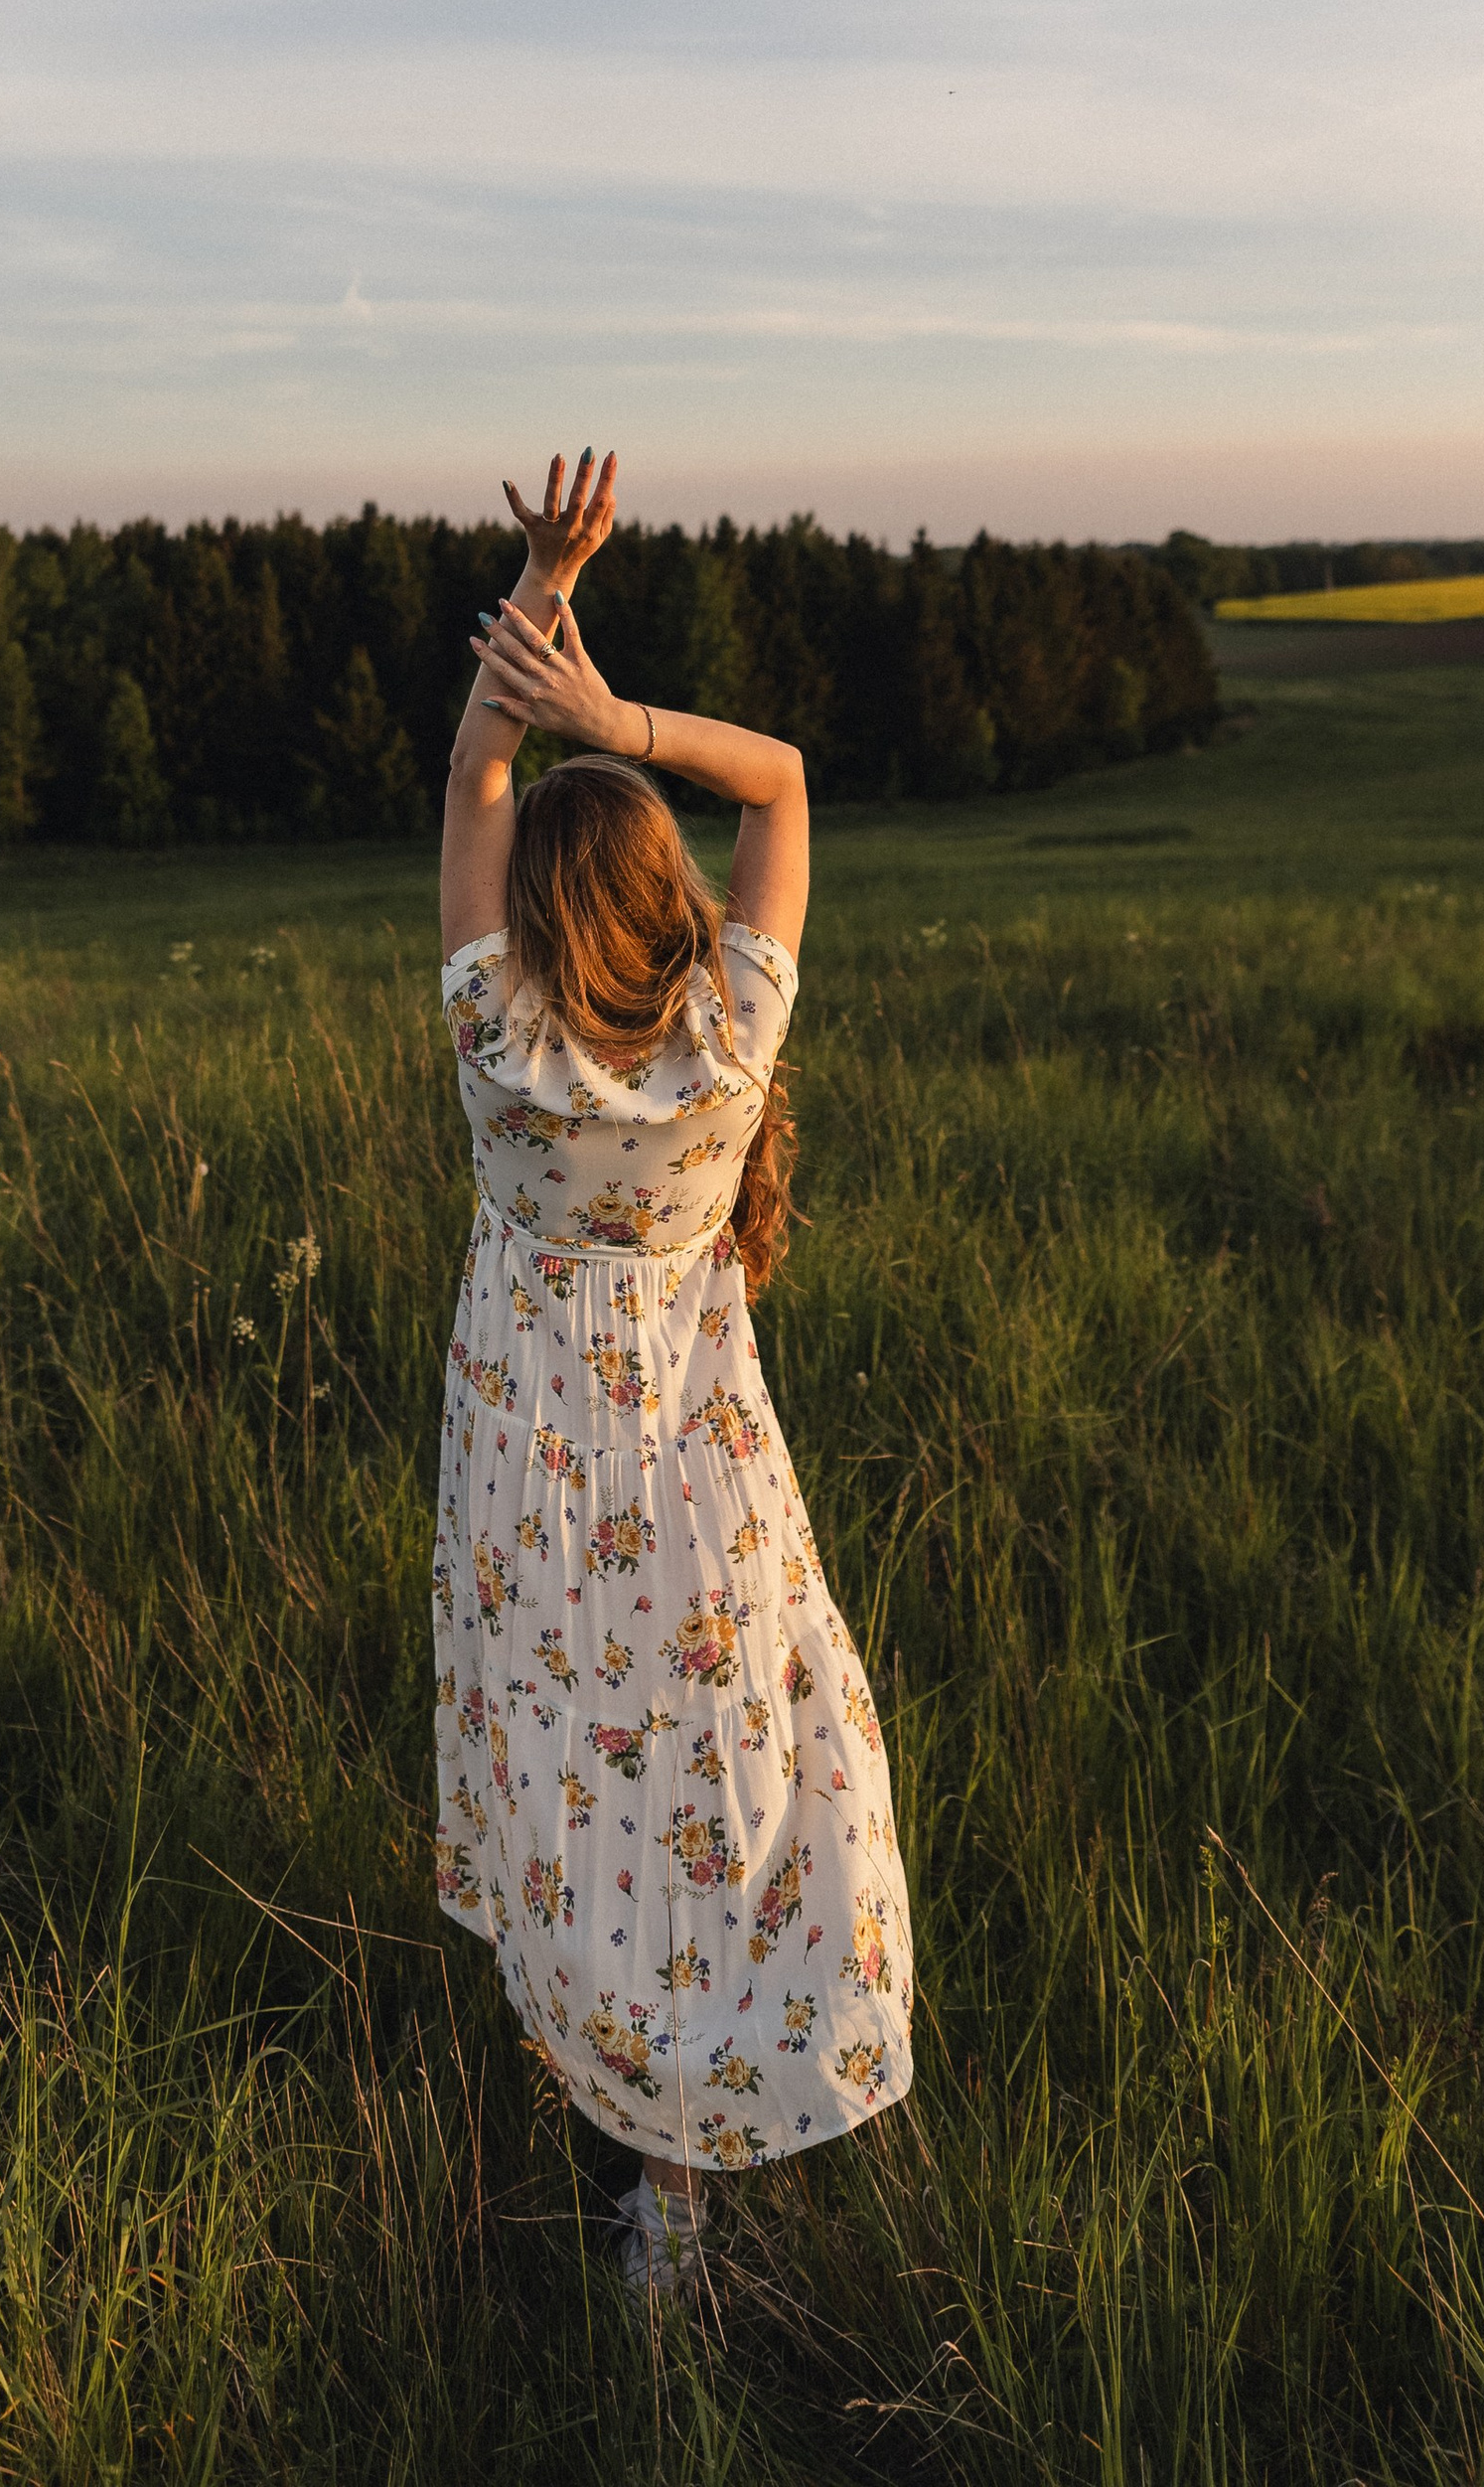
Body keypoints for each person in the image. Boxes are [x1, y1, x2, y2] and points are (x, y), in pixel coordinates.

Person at [431, 446, 914, 2302]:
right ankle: (693, 2157)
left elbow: (472, 781)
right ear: (659, 892)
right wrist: (617, 716)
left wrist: (540, 596)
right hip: (701, 1475)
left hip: (529, 1488)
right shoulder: (728, 1039)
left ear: (532, 914)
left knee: (576, 1784)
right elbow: (779, 778)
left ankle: (628, 2108)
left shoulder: (500, 1045)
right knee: (723, 1775)